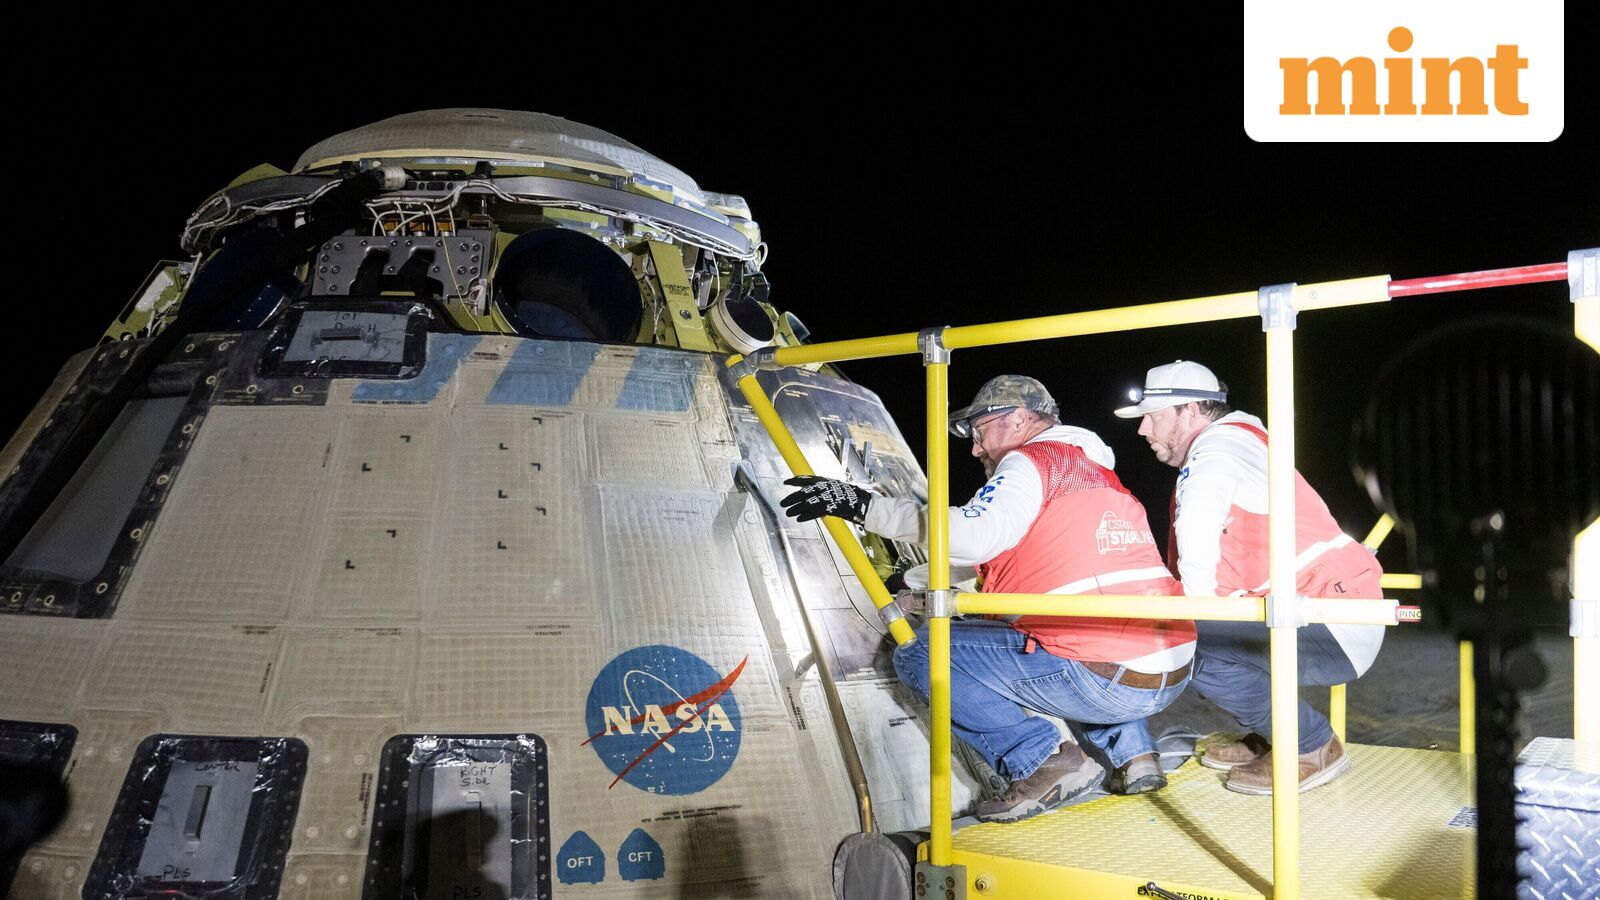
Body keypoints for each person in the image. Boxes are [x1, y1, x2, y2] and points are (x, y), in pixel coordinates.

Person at [782, 375, 1196, 823]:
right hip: (1170, 667)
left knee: (922, 653)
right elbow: (1002, 561)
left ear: (1020, 419)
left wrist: (861, 505)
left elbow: (974, 537)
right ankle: (1136, 758)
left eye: (981, 432)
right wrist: (917, 581)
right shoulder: (1094, 473)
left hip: (1104, 677)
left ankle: (1039, 760)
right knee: (1079, 634)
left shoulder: (1030, 461)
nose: (976, 449)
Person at [1115, 360, 1385, 794]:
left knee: (1187, 645)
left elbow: (1198, 527)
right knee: (1203, 636)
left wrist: (1190, 615)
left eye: (1152, 416)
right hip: (1331, 605)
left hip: (1329, 616)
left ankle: (1310, 746)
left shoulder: (1216, 452)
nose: (1143, 430)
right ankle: (1273, 736)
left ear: (1189, 412)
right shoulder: (1242, 441)